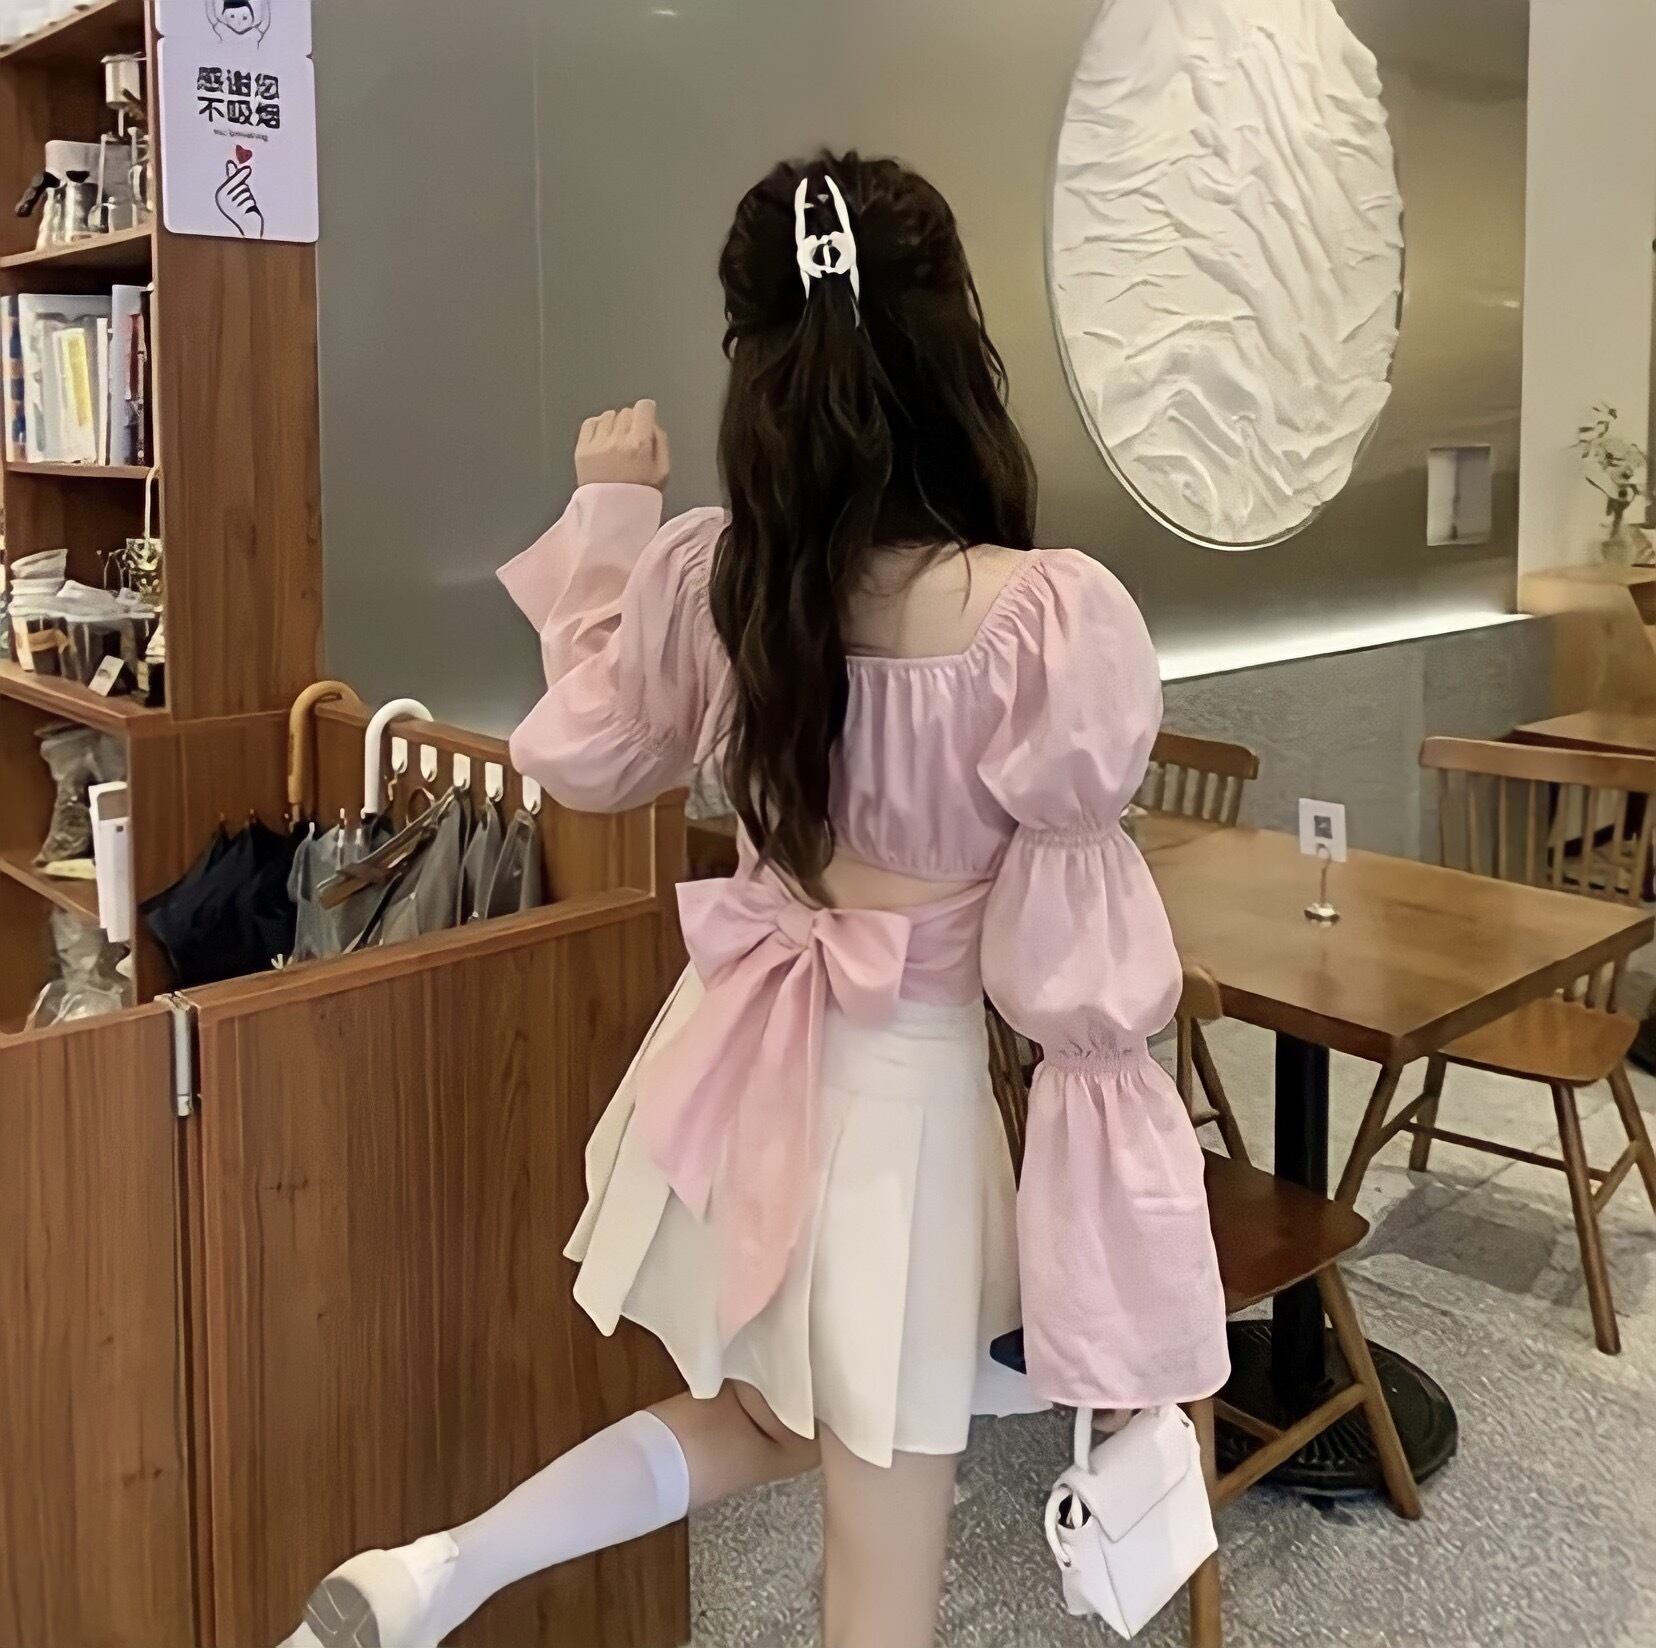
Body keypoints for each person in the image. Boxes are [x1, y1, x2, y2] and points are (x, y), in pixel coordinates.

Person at [281, 151, 1227, 1648]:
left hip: (738, 1064)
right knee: (880, 1568)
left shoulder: (716, 581)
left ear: (754, 361)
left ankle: (447, 1564)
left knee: (769, 1421)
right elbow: (1085, 1009)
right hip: (906, 1119)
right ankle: (446, 1570)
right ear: (952, 339)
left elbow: (588, 752)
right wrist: (1126, 1297)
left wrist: (611, 513)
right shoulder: (1039, 616)